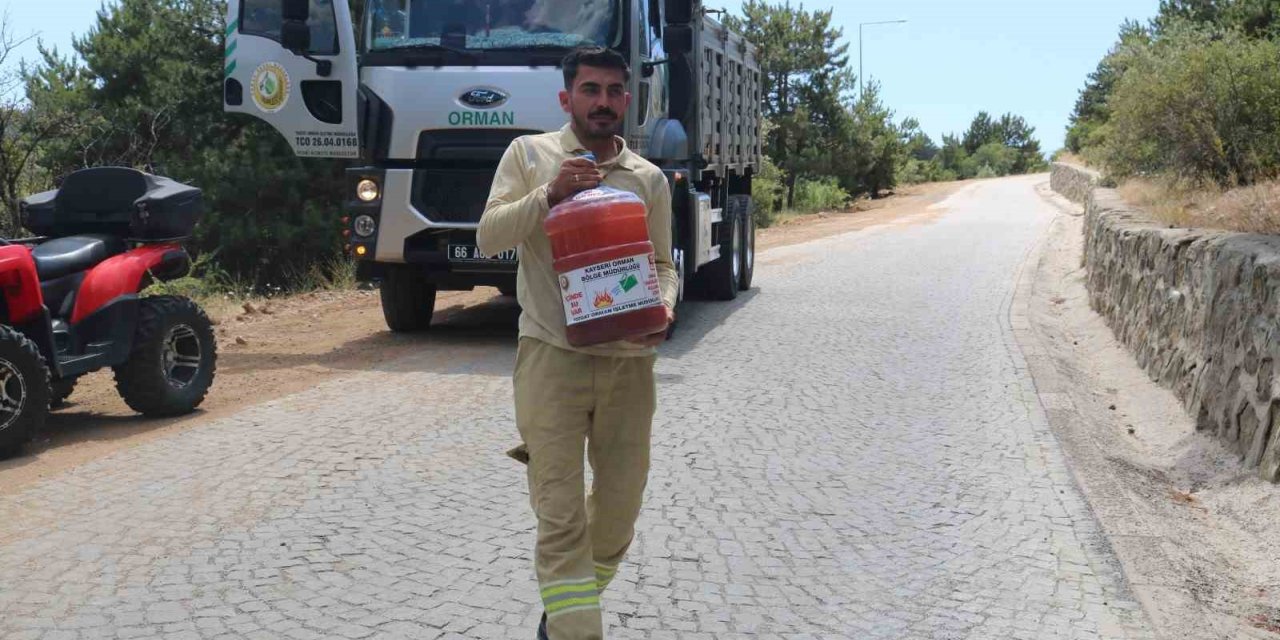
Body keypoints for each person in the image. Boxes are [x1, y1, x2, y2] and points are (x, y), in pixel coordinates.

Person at [476, 46, 679, 640]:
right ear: (567, 99)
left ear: (627, 100)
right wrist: (549, 195)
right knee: (560, 519)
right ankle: (574, 631)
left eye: (615, 91)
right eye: (591, 90)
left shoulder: (649, 179)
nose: (604, 102)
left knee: (616, 519)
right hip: (551, 361)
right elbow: (489, 236)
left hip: (628, 368)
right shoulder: (530, 156)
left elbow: (664, 265)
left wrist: (663, 309)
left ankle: (563, 612)